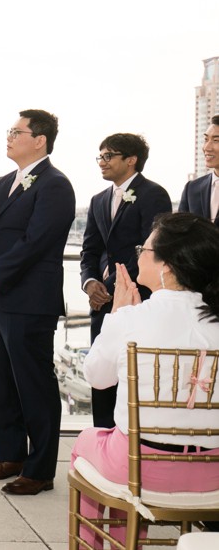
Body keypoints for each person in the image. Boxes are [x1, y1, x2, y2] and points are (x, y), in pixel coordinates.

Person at [73, 212, 219, 548]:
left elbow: (96, 378)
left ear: (166, 265)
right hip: (212, 473)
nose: (138, 254)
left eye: (144, 249)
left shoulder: (132, 320)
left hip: (141, 470)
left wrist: (116, 315)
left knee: (86, 441)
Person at [0, 109, 75, 496]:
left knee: (34, 385)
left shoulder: (56, 185)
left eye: (17, 131)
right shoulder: (1, 183)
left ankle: (40, 469)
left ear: (40, 139)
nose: (9, 137)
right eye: (10, 131)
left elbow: (37, 243)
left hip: (29, 301)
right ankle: (10, 456)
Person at [79, 133, 171, 428]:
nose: (102, 162)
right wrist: (90, 282)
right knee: (102, 378)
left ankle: (129, 444)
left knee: (134, 375)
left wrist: (112, 287)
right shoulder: (98, 200)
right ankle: (102, 440)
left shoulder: (153, 194)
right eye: (100, 156)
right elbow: (90, 249)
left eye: (109, 156)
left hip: (138, 299)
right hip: (102, 303)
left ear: (131, 160)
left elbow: (150, 250)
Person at [179, 114, 219, 226]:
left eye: (216, 140)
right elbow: (179, 234)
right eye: (206, 139)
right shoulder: (191, 189)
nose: (207, 147)